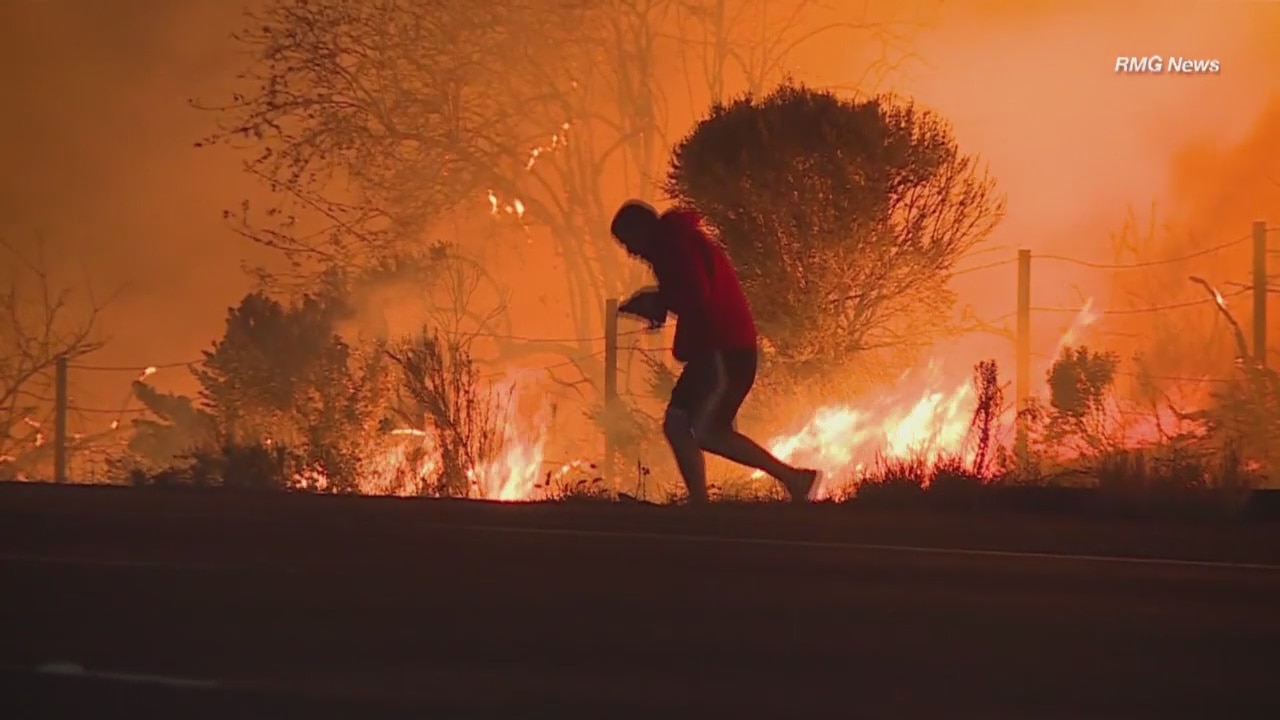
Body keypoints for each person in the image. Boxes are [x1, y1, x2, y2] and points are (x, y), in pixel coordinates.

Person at [610, 199, 819, 504]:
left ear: (642, 230)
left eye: (629, 242)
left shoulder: (674, 247)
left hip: (724, 349)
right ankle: (699, 504)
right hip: (711, 350)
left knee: (707, 431)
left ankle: (795, 479)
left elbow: (695, 293)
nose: (631, 252)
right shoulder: (674, 243)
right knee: (677, 423)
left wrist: (656, 302)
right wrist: (659, 304)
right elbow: (688, 295)